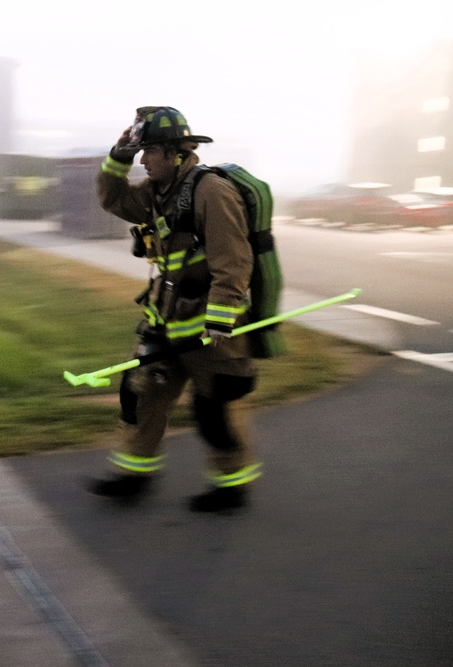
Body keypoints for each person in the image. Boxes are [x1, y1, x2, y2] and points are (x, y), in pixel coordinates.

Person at [87, 106, 262, 512]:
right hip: (167, 324)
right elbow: (112, 199)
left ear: (176, 153)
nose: (144, 160)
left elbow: (233, 260)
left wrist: (220, 318)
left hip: (211, 333)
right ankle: (134, 474)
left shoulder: (211, 192)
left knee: (214, 410)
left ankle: (231, 486)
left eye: (149, 152)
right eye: (142, 152)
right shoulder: (156, 193)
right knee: (142, 396)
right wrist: (120, 154)